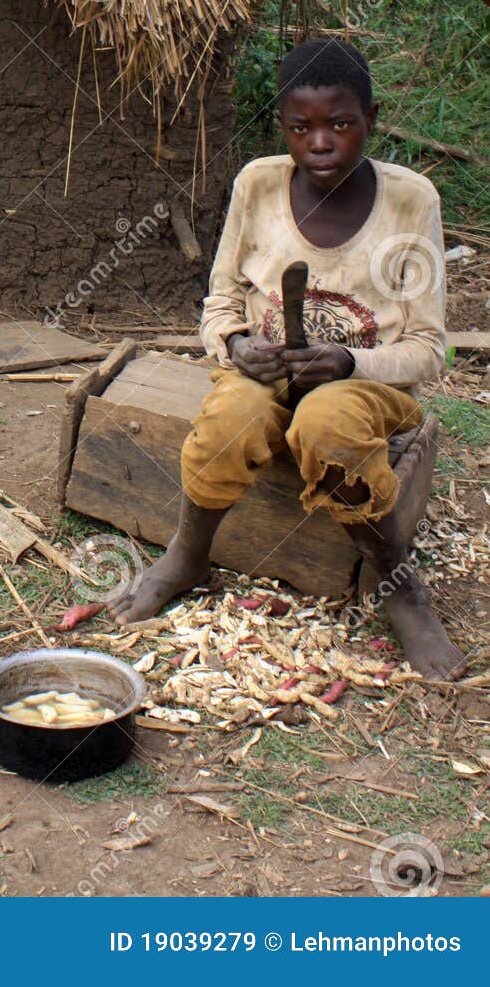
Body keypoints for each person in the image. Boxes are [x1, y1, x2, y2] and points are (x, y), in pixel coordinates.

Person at [110, 38, 466, 681]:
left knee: (326, 425)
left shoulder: (412, 202)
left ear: (371, 120)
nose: (320, 143)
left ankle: (402, 589)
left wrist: (348, 364)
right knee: (228, 421)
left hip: (365, 388)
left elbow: (428, 348)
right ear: (283, 126)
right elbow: (220, 304)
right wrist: (239, 345)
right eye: (301, 127)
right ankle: (187, 555)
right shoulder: (258, 184)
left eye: (340, 124)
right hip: (266, 373)